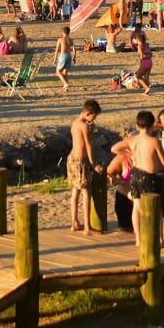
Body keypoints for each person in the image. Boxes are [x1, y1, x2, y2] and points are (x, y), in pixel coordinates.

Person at [112, 110, 164, 247]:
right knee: (157, 208)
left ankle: (138, 239)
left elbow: (114, 148)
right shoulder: (154, 141)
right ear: (152, 126)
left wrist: (129, 153)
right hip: (149, 177)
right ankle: (160, 239)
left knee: (137, 207)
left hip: (135, 174)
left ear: (137, 126)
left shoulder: (132, 139)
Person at [67, 99, 102, 234]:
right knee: (86, 192)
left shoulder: (75, 123)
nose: (94, 119)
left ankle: (74, 222)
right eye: (94, 116)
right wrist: (93, 165)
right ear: (88, 113)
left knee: (75, 192)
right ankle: (87, 226)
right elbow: (88, 145)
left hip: (72, 159)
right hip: (80, 161)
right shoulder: (84, 126)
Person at [54, 26, 75, 92]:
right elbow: (74, 49)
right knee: (65, 71)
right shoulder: (71, 39)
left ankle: (65, 84)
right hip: (69, 55)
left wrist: (54, 59)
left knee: (58, 72)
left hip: (63, 56)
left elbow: (57, 50)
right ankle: (66, 87)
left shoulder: (60, 39)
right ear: (69, 33)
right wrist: (75, 58)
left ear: (62, 32)